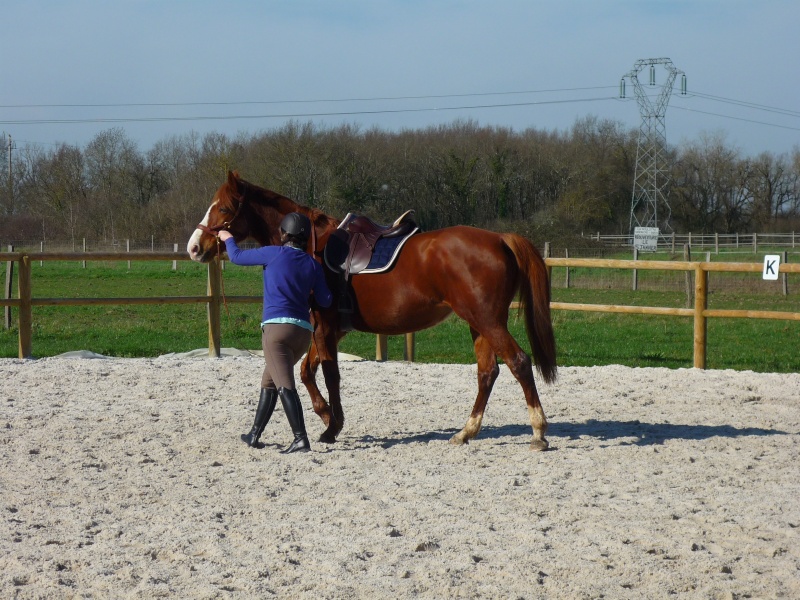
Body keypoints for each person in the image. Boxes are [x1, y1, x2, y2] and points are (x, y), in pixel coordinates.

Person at [218, 212, 332, 453]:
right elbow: (325, 299)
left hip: (276, 333)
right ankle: (254, 434)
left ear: (284, 235)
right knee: (270, 382)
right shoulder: (313, 265)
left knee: (285, 387)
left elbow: (237, 257)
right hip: (302, 334)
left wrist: (227, 237)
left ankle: (300, 439)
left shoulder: (272, 252)